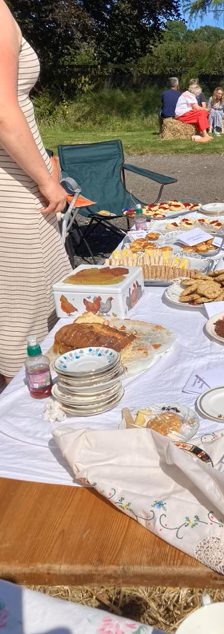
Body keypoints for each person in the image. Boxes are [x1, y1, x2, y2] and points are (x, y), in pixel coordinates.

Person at [0, 0, 72, 386]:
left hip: (16, 177)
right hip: (10, 192)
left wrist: (41, 160)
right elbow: (2, 111)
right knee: (23, 330)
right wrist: (45, 179)